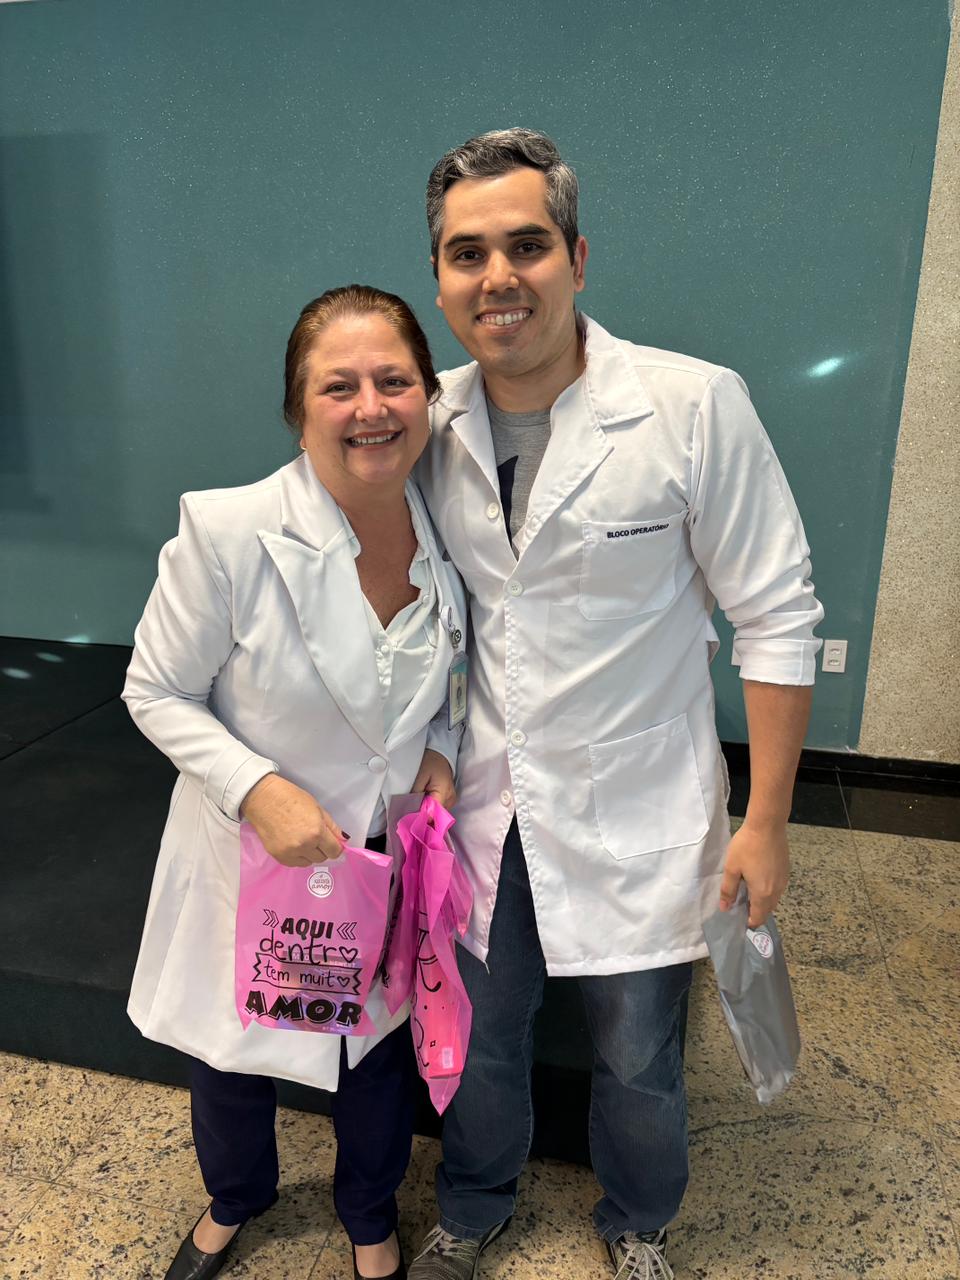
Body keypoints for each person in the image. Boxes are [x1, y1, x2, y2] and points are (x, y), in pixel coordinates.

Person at [409, 129, 825, 1280]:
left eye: (527, 244)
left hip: (640, 797)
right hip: (483, 799)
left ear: (578, 257)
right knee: (478, 1040)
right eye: (467, 253)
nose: (499, 276)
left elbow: (778, 613)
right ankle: (473, 1204)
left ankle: (639, 1220)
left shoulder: (691, 405)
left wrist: (768, 819)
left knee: (639, 1053)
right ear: (439, 278)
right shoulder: (428, 422)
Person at [122, 285, 467, 1280]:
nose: (371, 407)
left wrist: (443, 746)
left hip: (378, 855)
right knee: (231, 1051)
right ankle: (235, 1198)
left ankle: (369, 1212)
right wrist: (258, 787)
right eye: (339, 386)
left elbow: (453, 676)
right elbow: (156, 688)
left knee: (374, 1056)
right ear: (297, 408)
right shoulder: (228, 531)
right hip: (253, 853)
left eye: (394, 380)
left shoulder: (450, 532)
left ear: (428, 396)